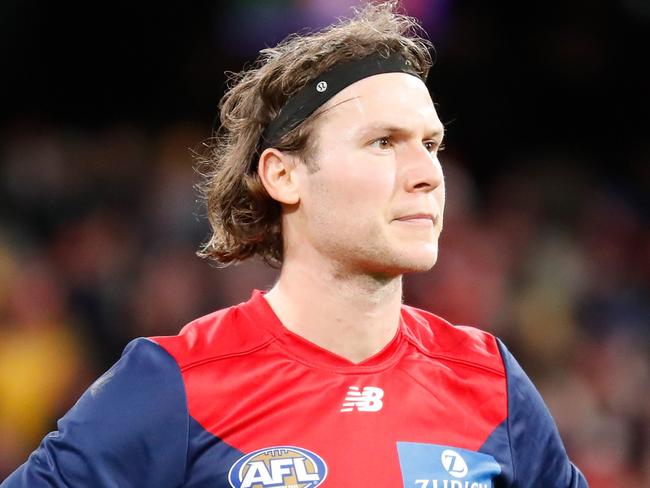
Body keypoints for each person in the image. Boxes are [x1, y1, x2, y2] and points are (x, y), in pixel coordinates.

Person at [2, 2, 588, 487]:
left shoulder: (490, 383)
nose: (428, 174)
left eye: (430, 145)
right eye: (384, 142)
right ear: (284, 175)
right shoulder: (175, 384)